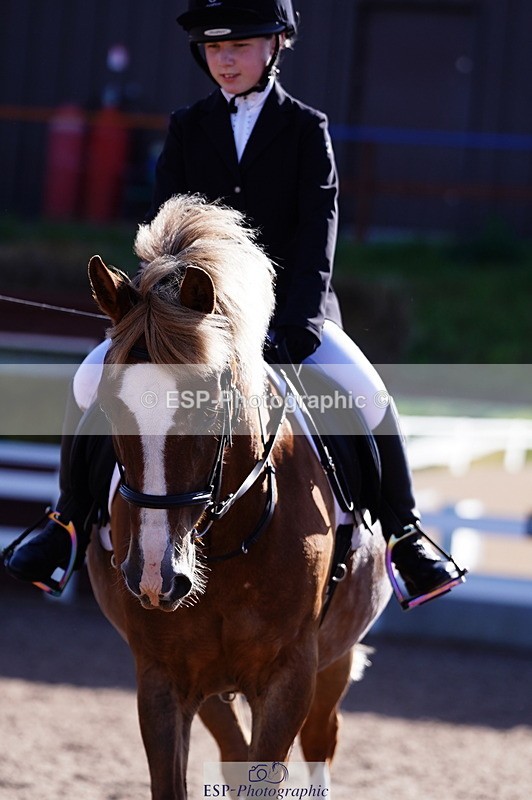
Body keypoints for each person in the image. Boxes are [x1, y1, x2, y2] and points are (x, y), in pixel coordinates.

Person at [5, 0, 466, 609]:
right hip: (193, 321)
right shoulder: (188, 126)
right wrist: (163, 311)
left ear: (276, 45)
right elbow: (164, 231)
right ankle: (64, 525)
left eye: (240, 46)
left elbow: (316, 233)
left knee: (368, 393)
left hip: (290, 317)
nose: (225, 59)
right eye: (215, 49)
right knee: (91, 381)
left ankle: (404, 534)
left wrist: (298, 319)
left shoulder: (306, 128)